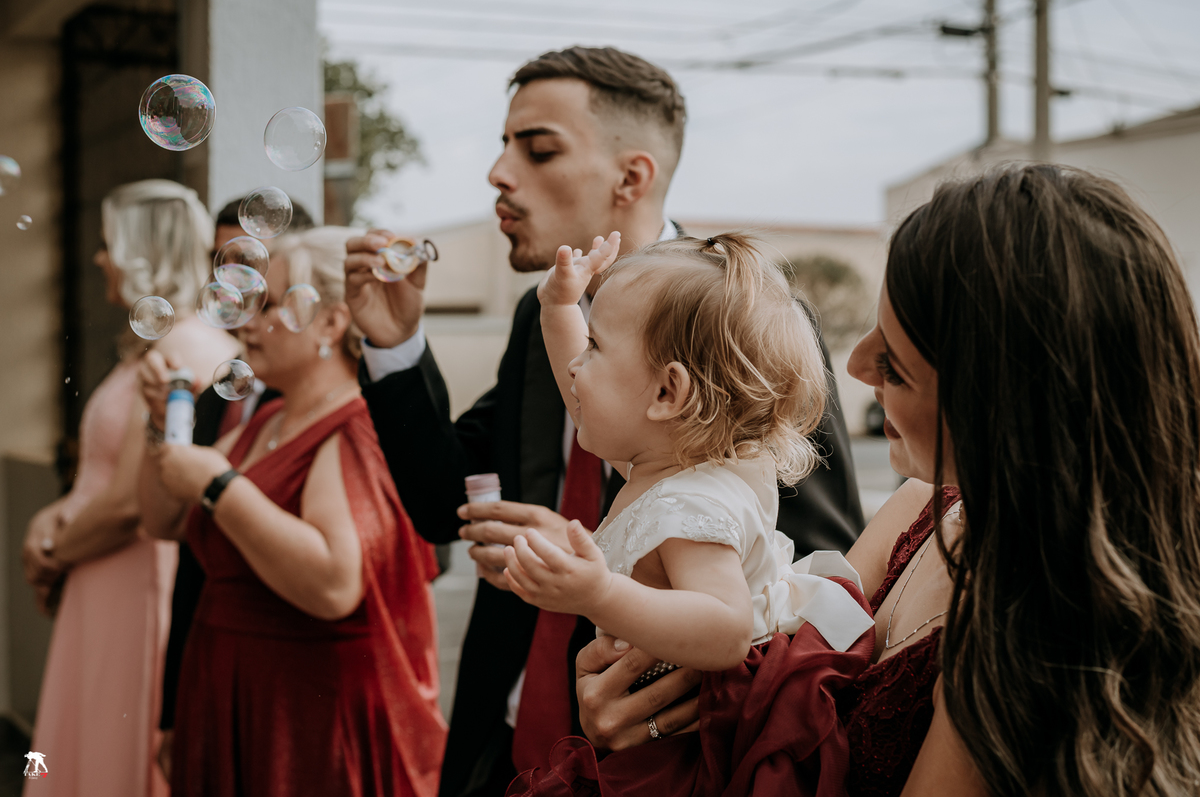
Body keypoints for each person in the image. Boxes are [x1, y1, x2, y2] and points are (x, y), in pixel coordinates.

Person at [570, 164, 1200, 796]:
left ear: (1000, 383)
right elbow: (768, 667)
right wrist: (647, 716)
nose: (856, 365)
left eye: (894, 359)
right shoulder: (922, 506)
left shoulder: (1031, 637)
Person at [344, 45, 864, 797]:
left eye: (537, 148)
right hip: (506, 739)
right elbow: (443, 500)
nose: (497, 173)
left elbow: (801, 555)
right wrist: (395, 346)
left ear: (632, 176)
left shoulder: (753, 329)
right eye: (502, 144)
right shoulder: (543, 318)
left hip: (670, 757)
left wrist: (655, 690)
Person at [504, 230, 876, 793]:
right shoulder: (667, 464)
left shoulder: (687, 508)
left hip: (692, 752)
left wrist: (598, 594)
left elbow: (725, 630)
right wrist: (558, 307)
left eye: (595, 346)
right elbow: (581, 394)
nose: (576, 367)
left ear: (666, 394)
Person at [138, 226, 446, 796]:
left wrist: (219, 485)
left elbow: (334, 583)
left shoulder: (355, 427)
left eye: (271, 304)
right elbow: (162, 520)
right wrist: (160, 425)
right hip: (228, 683)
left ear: (330, 323)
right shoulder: (266, 421)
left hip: (303, 708)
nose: (248, 322)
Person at [20, 179, 241, 797]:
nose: (99, 259)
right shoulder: (147, 346)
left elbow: (127, 504)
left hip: (132, 571)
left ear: (142, 250)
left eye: (108, 243)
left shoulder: (186, 347)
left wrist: (51, 555)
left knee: (116, 750)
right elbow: (101, 474)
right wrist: (54, 517)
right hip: (99, 570)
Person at [155, 194, 314, 780]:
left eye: (254, 271)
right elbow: (169, 530)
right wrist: (173, 709)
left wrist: (217, 483)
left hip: (293, 685)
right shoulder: (215, 397)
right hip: (211, 669)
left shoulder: (341, 414)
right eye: (222, 268)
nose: (239, 291)